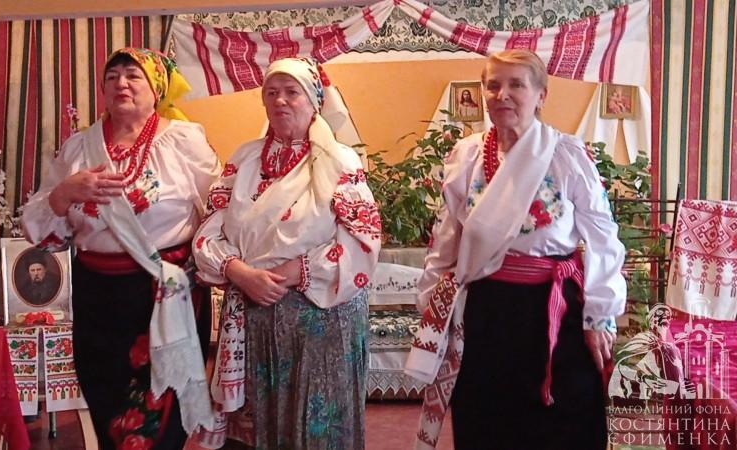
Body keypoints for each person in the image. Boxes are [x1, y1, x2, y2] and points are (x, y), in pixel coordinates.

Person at [406, 49, 626, 449]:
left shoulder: (565, 154)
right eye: (493, 85)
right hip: (487, 308)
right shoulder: (468, 155)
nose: (502, 94)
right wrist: (433, 302)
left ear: (541, 95)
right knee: (488, 416)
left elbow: (603, 237)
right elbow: (448, 235)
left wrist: (599, 316)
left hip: (554, 307)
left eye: (516, 85)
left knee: (563, 416)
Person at [21, 47, 220, 449]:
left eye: (133, 76)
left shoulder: (183, 141)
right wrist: (65, 192)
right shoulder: (79, 148)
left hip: (163, 295)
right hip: (98, 297)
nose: (121, 84)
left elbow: (218, 209)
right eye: (112, 77)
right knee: (108, 404)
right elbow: (41, 230)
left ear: (156, 88)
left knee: (162, 414)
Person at [191, 57, 381, 449]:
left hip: (323, 317)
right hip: (255, 312)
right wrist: (240, 272)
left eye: (292, 92)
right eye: (272, 93)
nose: (280, 101)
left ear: (314, 101)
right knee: (263, 421)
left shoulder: (339, 160)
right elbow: (209, 231)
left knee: (317, 423)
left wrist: (296, 271)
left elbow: (362, 240)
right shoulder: (244, 160)